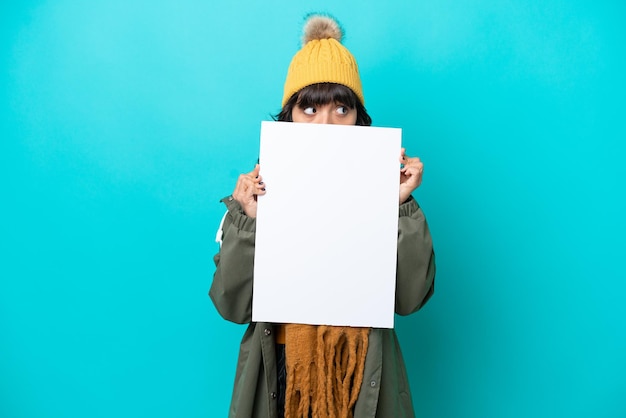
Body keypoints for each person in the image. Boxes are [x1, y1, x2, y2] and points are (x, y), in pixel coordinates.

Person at [210, 14, 435, 418]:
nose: (326, 123)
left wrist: (400, 205)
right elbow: (233, 306)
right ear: (289, 116)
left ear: (358, 119)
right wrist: (247, 221)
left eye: (341, 108)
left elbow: (410, 298)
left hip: (361, 377)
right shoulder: (256, 193)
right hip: (279, 380)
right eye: (309, 107)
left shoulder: (381, 191)